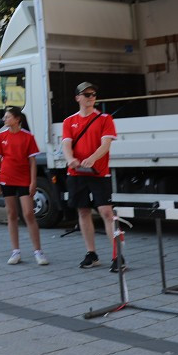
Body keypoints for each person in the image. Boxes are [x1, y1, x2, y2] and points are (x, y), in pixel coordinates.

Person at [63, 82, 121, 271]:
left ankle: (117, 255)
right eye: (86, 94)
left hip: (98, 172)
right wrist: (70, 159)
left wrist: (92, 159)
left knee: (106, 212)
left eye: (93, 94)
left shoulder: (105, 119)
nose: (90, 97)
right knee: (83, 211)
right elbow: (66, 145)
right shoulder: (69, 121)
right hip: (76, 172)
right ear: (77, 98)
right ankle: (91, 253)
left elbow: (105, 145)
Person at [0, 107, 48, 266]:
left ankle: (38, 251)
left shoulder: (28, 137)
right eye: (5, 117)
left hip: (24, 180)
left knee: (29, 213)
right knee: (11, 214)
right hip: (6, 179)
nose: (4, 119)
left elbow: (32, 162)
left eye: (7, 117)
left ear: (17, 119)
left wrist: (33, 182)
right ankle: (15, 251)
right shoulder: (0, 136)